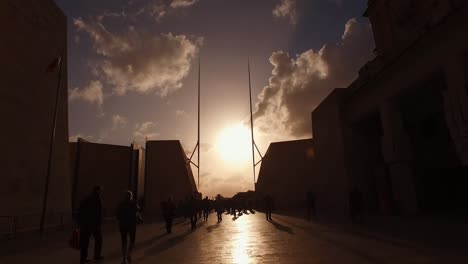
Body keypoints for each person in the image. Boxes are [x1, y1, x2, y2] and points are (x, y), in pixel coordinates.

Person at [78, 186, 103, 264]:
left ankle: (83, 259)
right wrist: (99, 223)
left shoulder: (87, 199)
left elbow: (80, 210)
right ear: (97, 191)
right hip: (94, 224)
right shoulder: (97, 200)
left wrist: (80, 223)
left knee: (85, 242)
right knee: (98, 240)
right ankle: (96, 255)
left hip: (86, 224)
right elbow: (99, 213)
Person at [116, 190, 139, 264]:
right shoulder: (134, 204)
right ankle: (129, 254)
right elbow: (139, 210)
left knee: (124, 242)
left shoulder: (121, 204)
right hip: (132, 225)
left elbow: (117, 215)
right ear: (131, 196)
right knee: (132, 240)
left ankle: (123, 259)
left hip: (123, 225)